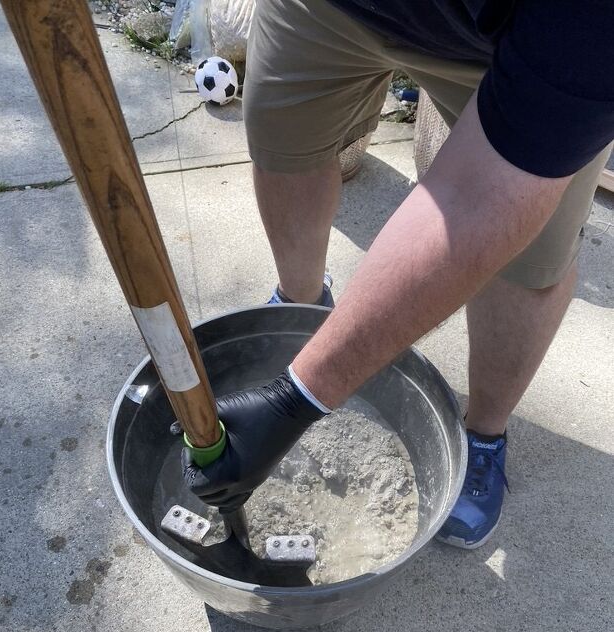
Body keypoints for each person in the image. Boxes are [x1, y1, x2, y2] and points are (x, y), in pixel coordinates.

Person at [182, 0, 614, 548]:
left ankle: (483, 434)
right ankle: (300, 310)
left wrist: (297, 400)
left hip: (507, 47)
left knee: (531, 262)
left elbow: (478, 199)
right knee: (284, 142)